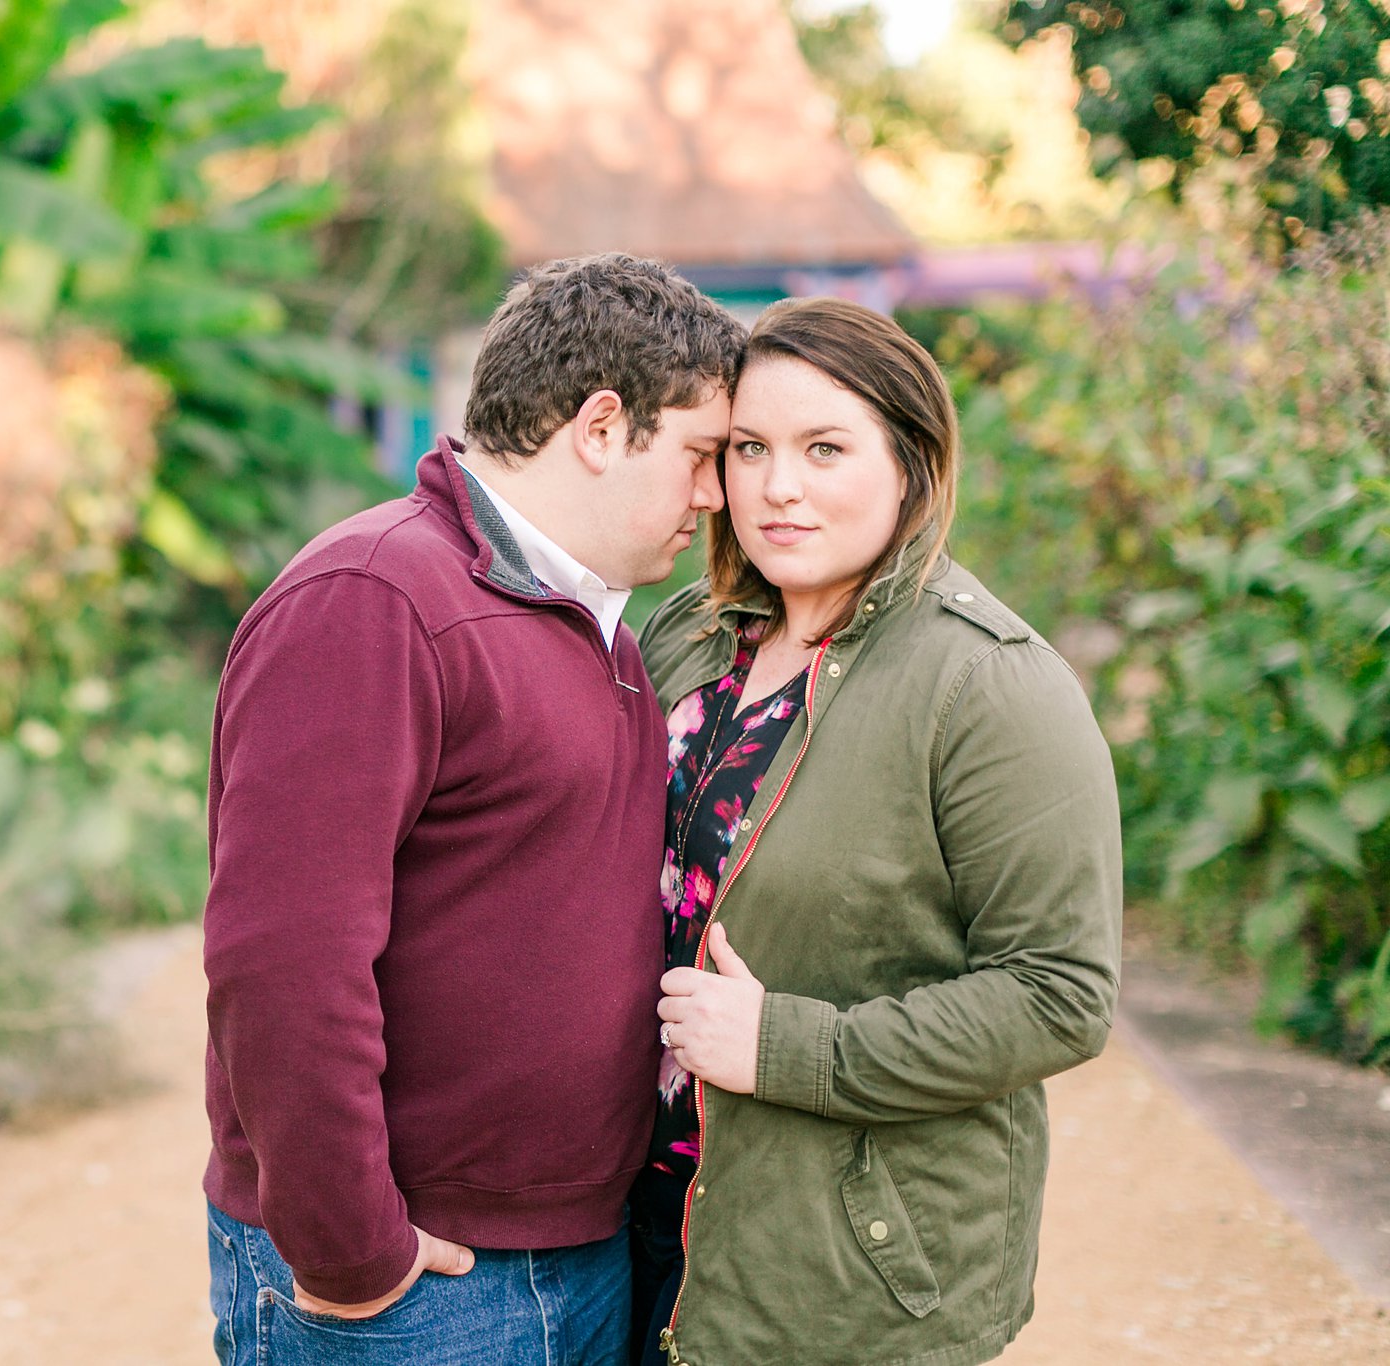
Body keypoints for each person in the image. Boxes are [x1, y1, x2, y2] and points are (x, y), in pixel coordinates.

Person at [201, 253, 746, 1366]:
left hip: (576, 1252)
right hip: (418, 1284)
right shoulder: (374, 598)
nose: (714, 497)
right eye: (700, 454)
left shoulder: (601, 629)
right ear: (601, 426)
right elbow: (283, 961)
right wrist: (354, 1252)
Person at [635, 297, 1122, 1366]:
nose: (776, 486)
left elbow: (1058, 992)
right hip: (645, 1222)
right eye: (748, 448)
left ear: (910, 461)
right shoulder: (683, 638)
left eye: (823, 447)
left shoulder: (988, 685)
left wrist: (788, 1048)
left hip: (844, 1265)